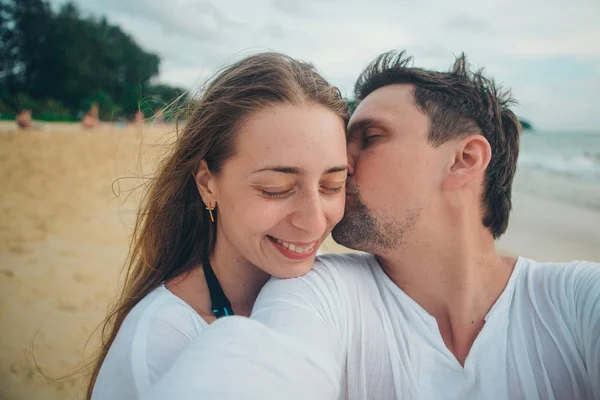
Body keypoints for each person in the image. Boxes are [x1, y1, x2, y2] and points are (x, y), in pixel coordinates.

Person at [146, 51, 600, 399]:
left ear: (465, 160)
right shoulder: (317, 293)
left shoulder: (578, 302)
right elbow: (265, 361)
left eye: (372, 137)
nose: (340, 162)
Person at [88, 52, 349, 400]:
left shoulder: (337, 296)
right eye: (276, 190)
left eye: (332, 185)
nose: (315, 221)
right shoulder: (159, 347)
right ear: (208, 184)